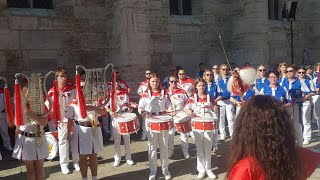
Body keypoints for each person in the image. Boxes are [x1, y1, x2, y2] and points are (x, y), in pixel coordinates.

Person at [227, 95, 320, 180]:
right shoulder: (299, 155)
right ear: (283, 124)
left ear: (245, 128)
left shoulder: (246, 168)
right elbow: (314, 156)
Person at [65, 71, 105, 180]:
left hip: (94, 129)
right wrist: (68, 133)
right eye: (80, 88)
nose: (82, 90)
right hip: (80, 130)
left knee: (93, 157)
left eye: (84, 88)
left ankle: (94, 178)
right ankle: (84, 178)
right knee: (82, 158)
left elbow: (103, 113)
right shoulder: (73, 104)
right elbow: (69, 119)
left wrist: (93, 108)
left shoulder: (94, 101)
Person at [138, 73, 174, 180]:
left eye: (157, 81)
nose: (155, 83)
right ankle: (152, 171)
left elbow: (169, 106)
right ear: (149, 82)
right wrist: (142, 112)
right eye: (153, 81)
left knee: (164, 147)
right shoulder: (145, 94)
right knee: (152, 148)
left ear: (159, 82)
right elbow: (140, 107)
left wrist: (171, 111)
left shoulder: (164, 93)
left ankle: (165, 170)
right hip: (150, 121)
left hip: (163, 121)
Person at [12, 80, 49, 180]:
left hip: (39, 138)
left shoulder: (42, 106)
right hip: (26, 140)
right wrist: (17, 144)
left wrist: (32, 115)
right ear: (24, 93)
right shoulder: (19, 107)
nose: (31, 95)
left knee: (40, 168)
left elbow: (44, 123)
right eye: (29, 92)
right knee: (30, 170)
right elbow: (17, 126)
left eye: (33, 92)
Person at [46, 67, 80, 174]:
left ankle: (76, 161)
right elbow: (48, 107)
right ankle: (64, 164)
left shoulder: (73, 88)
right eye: (60, 76)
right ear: (56, 78)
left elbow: (79, 101)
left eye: (64, 76)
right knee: (63, 142)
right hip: (62, 121)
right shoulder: (52, 91)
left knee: (75, 141)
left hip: (74, 119)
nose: (63, 79)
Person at [184, 78, 219, 179]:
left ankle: (208, 169)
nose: (201, 87)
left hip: (208, 125)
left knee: (208, 148)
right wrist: (188, 111)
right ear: (196, 87)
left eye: (203, 85)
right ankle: (201, 169)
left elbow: (214, 108)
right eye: (199, 85)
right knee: (199, 148)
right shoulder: (192, 98)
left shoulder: (209, 97)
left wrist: (215, 108)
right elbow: (185, 108)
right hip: (197, 125)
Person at [108, 78, 137, 167]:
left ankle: (128, 157)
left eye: (117, 82)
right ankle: (117, 158)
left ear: (120, 83)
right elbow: (106, 106)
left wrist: (133, 105)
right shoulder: (110, 93)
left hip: (125, 115)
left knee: (127, 138)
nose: (116, 83)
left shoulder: (125, 91)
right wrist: (110, 111)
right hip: (116, 117)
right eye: (114, 82)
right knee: (117, 139)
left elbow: (130, 102)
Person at [166, 75, 190, 159]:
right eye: (172, 81)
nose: (173, 83)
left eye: (175, 81)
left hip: (181, 114)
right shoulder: (165, 92)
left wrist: (186, 111)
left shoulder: (183, 91)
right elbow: (163, 105)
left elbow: (187, 103)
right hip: (169, 115)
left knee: (184, 134)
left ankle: (185, 151)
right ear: (169, 82)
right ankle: (170, 150)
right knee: (170, 134)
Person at [282, 65, 303, 145]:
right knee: (287, 126)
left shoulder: (300, 82)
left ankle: (300, 145)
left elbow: (305, 96)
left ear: (295, 72)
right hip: (286, 106)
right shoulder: (282, 82)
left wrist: (296, 100)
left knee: (297, 126)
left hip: (296, 106)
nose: (289, 73)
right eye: (287, 71)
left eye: (291, 71)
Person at [203, 69, 221, 151]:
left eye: (210, 75)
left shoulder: (215, 85)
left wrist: (214, 102)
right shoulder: (202, 85)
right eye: (207, 75)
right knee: (206, 126)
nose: (209, 76)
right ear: (204, 76)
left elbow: (220, 95)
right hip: (204, 108)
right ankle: (207, 144)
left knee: (215, 126)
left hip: (214, 107)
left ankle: (215, 144)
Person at [297, 66, 315, 145]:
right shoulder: (295, 81)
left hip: (306, 102)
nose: (301, 74)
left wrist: (308, 96)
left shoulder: (309, 81)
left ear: (305, 73)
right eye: (300, 72)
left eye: (303, 72)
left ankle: (307, 137)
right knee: (298, 121)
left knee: (306, 120)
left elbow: (313, 91)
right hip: (297, 102)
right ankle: (299, 137)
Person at [216, 64, 234, 140]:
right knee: (221, 118)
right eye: (223, 69)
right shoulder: (217, 79)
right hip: (221, 101)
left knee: (230, 118)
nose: (225, 71)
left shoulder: (231, 78)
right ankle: (222, 134)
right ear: (220, 70)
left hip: (229, 100)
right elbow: (217, 90)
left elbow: (233, 89)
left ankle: (232, 133)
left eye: (226, 69)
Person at [137, 69, 152, 140]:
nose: (148, 75)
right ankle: (144, 134)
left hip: (152, 103)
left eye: (149, 73)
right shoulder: (142, 83)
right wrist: (144, 95)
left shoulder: (155, 82)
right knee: (144, 120)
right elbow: (139, 92)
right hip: (145, 102)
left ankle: (151, 134)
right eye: (147, 74)